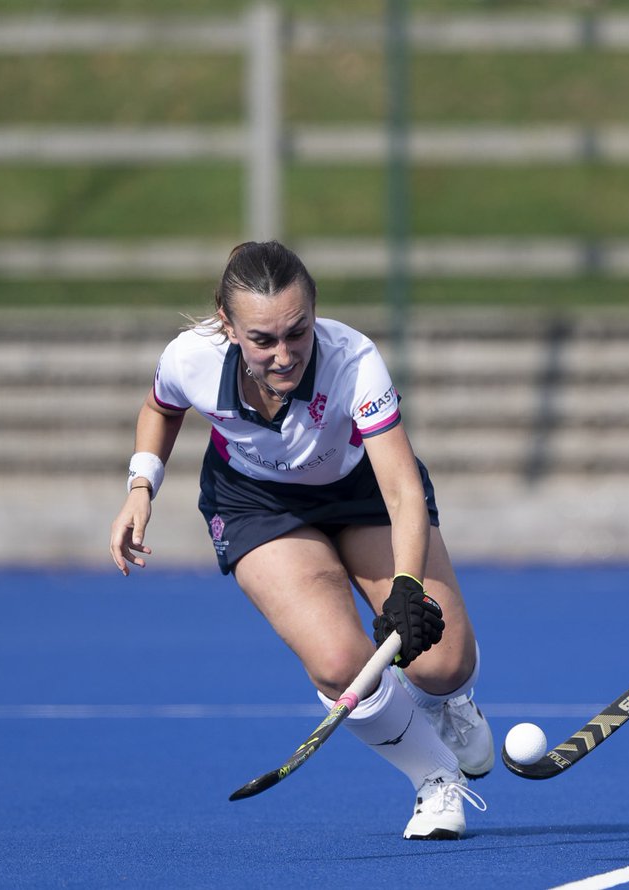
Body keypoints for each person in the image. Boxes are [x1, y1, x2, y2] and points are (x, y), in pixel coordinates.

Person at [107, 240, 492, 840]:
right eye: (262, 340)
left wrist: (407, 587)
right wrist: (141, 486)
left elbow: (401, 490)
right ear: (227, 325)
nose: (284, 355)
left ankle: (449, 703)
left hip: (361, 490)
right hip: (255, 503)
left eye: (298, 332)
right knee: (339, 664)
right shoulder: (191, 358)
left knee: (442, 663)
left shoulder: (354, 360)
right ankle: (435, 777)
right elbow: (162, 410)